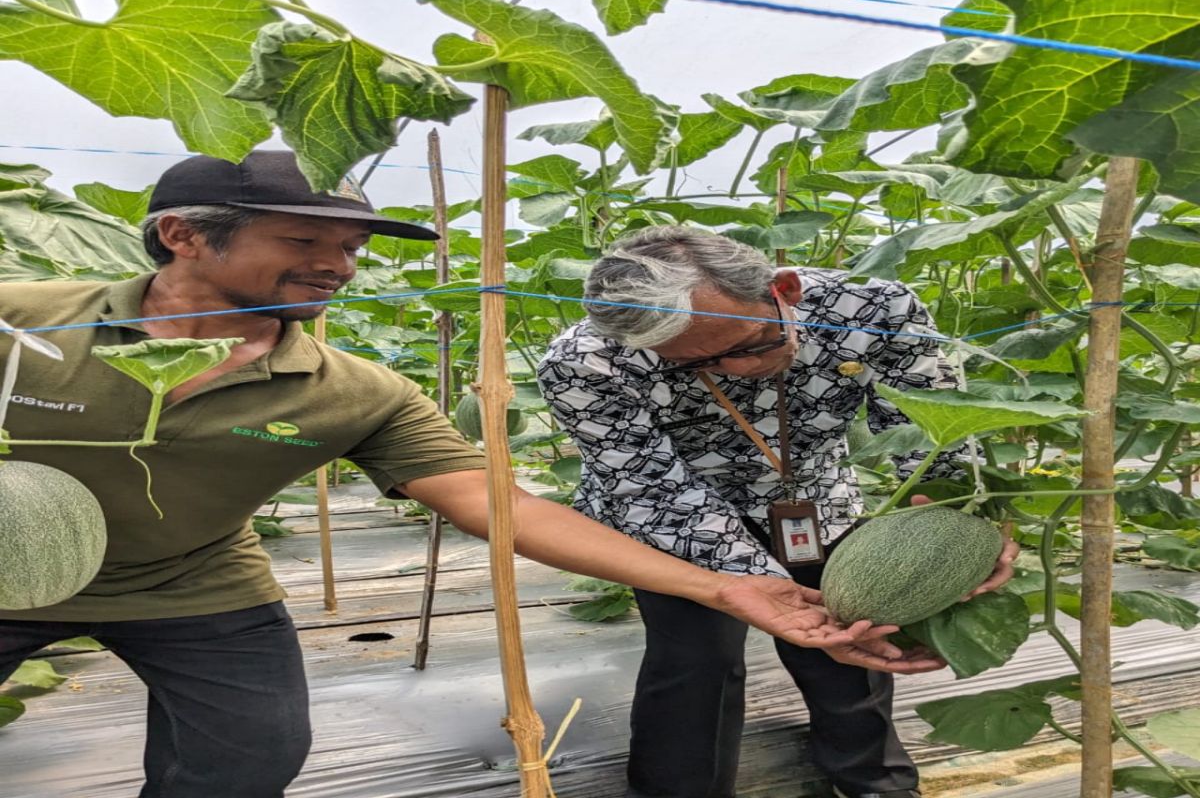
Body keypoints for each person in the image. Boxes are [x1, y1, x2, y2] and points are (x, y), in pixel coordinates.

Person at [0, 151, 923, 798]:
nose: (339, 266)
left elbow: (495, 501)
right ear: (183, 235)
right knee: (693, 674)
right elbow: (646, 484)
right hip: (7, 576)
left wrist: (727, 589)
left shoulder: (350, 393)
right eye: (304, 242)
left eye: (354, 249)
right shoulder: (21, 321)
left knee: (246, 763)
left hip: (190, 587)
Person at [537, 226, 1019, 798]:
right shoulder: (583, 363)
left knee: (855, 632)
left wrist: (966, 529)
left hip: (815, 499)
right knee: (695, 660)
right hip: (668, 516)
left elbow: (931, 427)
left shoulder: (872, 307)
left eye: (748, 346)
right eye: (697, 365)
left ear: (784, 290)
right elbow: (651, 490)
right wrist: (760, 587)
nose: (735, 370)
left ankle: (873, 782)